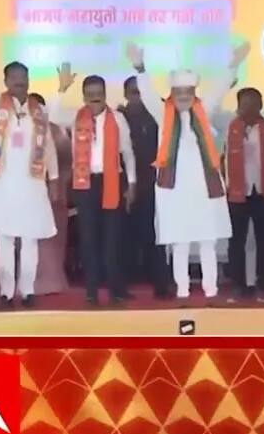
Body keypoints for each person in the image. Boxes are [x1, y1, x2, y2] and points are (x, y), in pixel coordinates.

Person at [129, 42, 245, 302]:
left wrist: (232, 65)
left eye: (188, 92)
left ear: (194, 93)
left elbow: (218, 90)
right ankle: (182, 289)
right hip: (174, 188)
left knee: (207, 240)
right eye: (179, 92)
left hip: (204, 186)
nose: (183, 97)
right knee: (179, 241)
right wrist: (140, 69)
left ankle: (211, 289)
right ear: (172, 93)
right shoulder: (163, 113)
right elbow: (148, 96)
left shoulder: (204, 110)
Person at [0, 31, 60, 307]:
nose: (20, 82)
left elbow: (49, 146)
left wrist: (54, 178)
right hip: (4, 182)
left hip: (32, 183)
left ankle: (27, 291)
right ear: (6, 81)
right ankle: (7, 292)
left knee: (30, 239)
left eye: (24, 78)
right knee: (4, 238)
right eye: (15, 78)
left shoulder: (38, 111)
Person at [52, 67, 139, 306]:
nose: (95, 98)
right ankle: (91, 292)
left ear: (105, 94)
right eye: (90, 94)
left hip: (112, 181)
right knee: (89, 239)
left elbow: (128, 153)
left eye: (99, 93)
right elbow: (52, 115)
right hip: (85, 184)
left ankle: (115, 291)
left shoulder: (118, 119)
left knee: (113, 240)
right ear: (83, 96)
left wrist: (132, 183)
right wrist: (61, 90)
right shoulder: (75, 117)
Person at [223, 87, 264, 302]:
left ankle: (263, 284)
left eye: (253, 104)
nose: (248, 109)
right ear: (238, 106)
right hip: (238, 192)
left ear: (261, 105)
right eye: (244, 105)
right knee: (236, 242)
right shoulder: (230, 129)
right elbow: (223, 159)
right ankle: (238, 285)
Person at [119, 75, 171, 297]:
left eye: (141, 92)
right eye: (133, 92)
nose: (138, 97)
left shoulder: (158, 116)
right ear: (126, 94)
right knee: (123, 238)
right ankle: (121, 287)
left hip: (154, 185)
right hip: (126, 186)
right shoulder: (119, 118)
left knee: (155, 236)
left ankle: (161, 285)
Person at [31, 92, 71, 297]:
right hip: (33, 193)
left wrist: (57, 185)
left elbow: (67, 163)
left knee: (53, 237)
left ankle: (50, 279)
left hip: (54, 193)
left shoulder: (56, 132)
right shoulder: (23, 130)